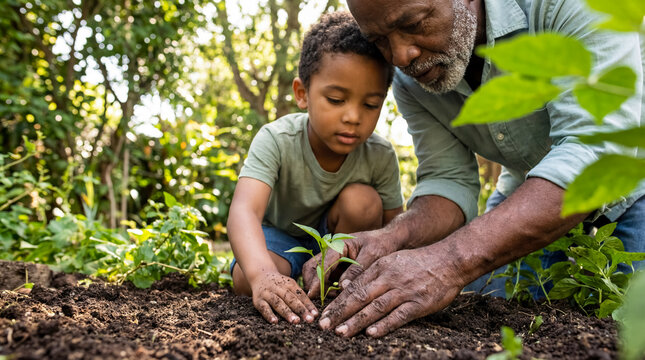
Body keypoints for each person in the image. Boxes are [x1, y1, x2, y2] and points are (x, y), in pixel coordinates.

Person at [303, 0, 645, 338]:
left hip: (635, 187)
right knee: (483, 308)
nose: (400, 56)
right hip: (528, 193)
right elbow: (447, 180)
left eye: (414, 23)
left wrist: (449, 262)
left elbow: (595, 151)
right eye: (380, 40)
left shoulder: (565, 5)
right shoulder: (412, 81)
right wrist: (391, 237)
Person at [227, 11, 404, 326]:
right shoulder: (277, 139)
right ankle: (291, 283)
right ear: (302, 93)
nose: (353, 116)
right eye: (336, 100)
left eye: (370, 104)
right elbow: (244, 211)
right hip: (280, 237)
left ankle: (339, 287)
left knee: (363, 201)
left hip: (340, 246)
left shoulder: (379, 155)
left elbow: (394, 229)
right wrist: (263, 275)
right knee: (245, 279)